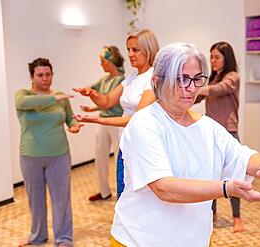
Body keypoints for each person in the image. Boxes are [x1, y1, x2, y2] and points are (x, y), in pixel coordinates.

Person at [109, 42, 260, 247]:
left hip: (193, 239)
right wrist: (225, 188)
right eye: (181, 79)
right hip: (141, 240)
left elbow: (241, 155)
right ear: (157, 82)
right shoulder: (144, 123)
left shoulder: (208, 127)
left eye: (197, 79)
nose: (190, 88)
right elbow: (164, 188)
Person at [73, 29, 159, 197]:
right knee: (125, 193)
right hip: (126, 143)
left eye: (135, 50)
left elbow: (137, 119)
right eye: (128, 50)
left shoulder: (153, 78)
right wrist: (92, 94)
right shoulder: (132, 78)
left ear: (149, 50)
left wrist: (98, 120)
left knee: (139, 196)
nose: (130, 54)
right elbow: (107, 101)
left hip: (143, 145)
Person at [15, 58, 82, 247]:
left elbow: (70, 119)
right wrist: (54, 98)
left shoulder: (61, 97)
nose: (45, 79)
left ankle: (64, 239)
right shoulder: (23, 95)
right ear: (32, 77)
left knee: (61, 200)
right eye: (40, 75)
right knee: (35, 201)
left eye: (48, 74)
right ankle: (37, 236)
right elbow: (25, 103)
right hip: (30, 156)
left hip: (59, 155)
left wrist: (75, 126)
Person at [196, 41, 244, 232]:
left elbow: (220, 89)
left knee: (234, 177)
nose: (212, 61)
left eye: (216, 57)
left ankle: (237, 217)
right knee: (212, 176)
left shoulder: (233, 77)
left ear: (227, 58)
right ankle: (212, 213)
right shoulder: (212, 79)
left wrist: (199, 89)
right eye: (211, 57)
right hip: (211, 132)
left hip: (229, 131)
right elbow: (202, 96)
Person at [81, 46, 125, 201]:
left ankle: (123, 192)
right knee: (100, 157)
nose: (101, 65)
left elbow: (110, 101)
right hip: (102, 121)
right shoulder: (104, 79)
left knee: (119, 158)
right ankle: (104, 191)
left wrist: (94, 104)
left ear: (111, 61)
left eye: (103, 61)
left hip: (117, 122)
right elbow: (95, 92)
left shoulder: (121, 80)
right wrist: (86, 92)